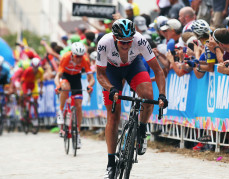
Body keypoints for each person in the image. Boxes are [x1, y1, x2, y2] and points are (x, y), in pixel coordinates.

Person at [96, 19, 167, 178]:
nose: (127, 45)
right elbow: (100, 74)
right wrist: (111, 88)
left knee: (148, 96)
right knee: (113, 117)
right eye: (123, 42)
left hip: (133, 67)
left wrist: (162, 94)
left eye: (129, 41)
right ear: (114, 38)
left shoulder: (140, 40)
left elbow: (158, 71)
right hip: (111, 72)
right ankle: (111, 164)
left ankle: (142, 129)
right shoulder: (104, 43)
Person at [55, 42, 95, 149]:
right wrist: (58, 85)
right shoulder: (65, 57)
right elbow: (57, 75)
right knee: (66, 87)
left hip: (76, 78)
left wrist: (90, 86)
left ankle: (77, 133)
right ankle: (60, 110)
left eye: (80, 57)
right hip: (66, 76)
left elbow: (91, 78)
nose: (78, 59)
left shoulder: (85, 60)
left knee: (78, 105)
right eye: (77, 57)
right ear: (72, 55)